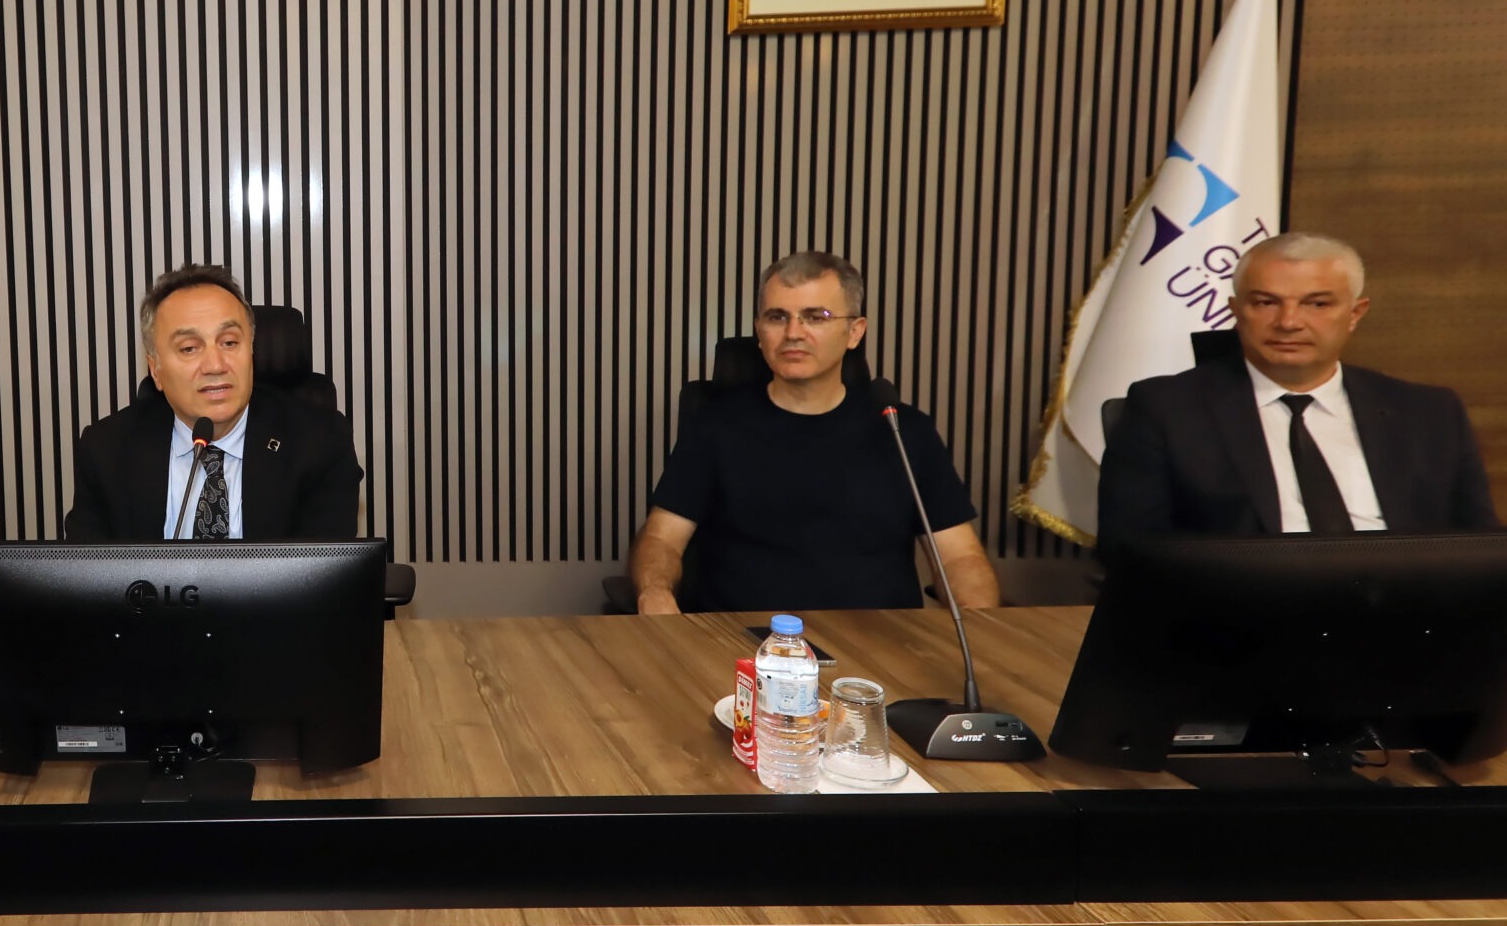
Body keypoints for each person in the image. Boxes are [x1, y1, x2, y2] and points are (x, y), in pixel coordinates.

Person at [628, 251, 1001, 613]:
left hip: (883, 642)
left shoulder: (904, 432)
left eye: (815, 317)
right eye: (777, 317)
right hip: (742, 641)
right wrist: (654, 592)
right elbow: (661, 538)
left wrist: (979, 623)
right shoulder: (714, 426)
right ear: (759, 331)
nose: (793, 333)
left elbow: (959, 557)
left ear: (854, 332)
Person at [1097, 233, 1498, 541]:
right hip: (1244, 613)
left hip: (1407, 608)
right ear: (1236, 311)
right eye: (1265, 303)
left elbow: (1481, 545)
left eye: (1317, 304)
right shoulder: (1166, 409)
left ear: (1355, 313)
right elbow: (1132, 548)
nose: (1288, 322)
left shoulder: (1429, 412)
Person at [65, 264, 362, 541]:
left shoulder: (318, 443)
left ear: (251, 352)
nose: (215, 365)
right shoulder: (107, 450)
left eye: (229, 343)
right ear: (156, 370)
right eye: (189, 348)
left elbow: (326, 574)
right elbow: (87, 575)